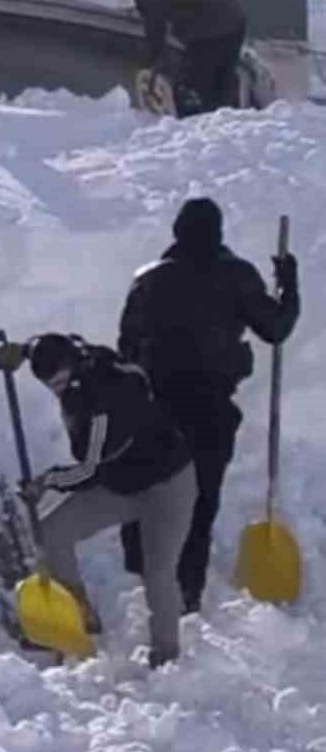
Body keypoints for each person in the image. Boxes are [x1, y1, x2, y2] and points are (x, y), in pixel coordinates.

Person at [117, 197, 300, 613]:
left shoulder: (147, 280)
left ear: (177, 233)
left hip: (155, 409)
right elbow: (276, 328)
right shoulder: (237, 275)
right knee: (200, 502)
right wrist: (289, 284)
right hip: (211, 409)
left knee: (152, 492)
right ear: (217, 233)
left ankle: (146, 581)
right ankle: (186, 597)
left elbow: (125, 348)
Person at [0, 332, 195, 668]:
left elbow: (90, 470)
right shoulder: (75, 355)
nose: (55, 389)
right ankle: (79, 613)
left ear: (73, 367)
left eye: (59, 381)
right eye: (49, 383)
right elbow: (45, 345)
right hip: (122, 483)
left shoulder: (102, 401)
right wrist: (21, 350)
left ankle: (167, 657)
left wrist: (46, 482)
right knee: (51, 530)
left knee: (157, 570)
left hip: (166, 486)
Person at [115, 0, 247, 117]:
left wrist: (153, 58)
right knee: (222, 83)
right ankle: (226, 122)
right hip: (234, 21)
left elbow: (154, 24)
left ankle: (196, 129)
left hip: (206, 32)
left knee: (191, 90)